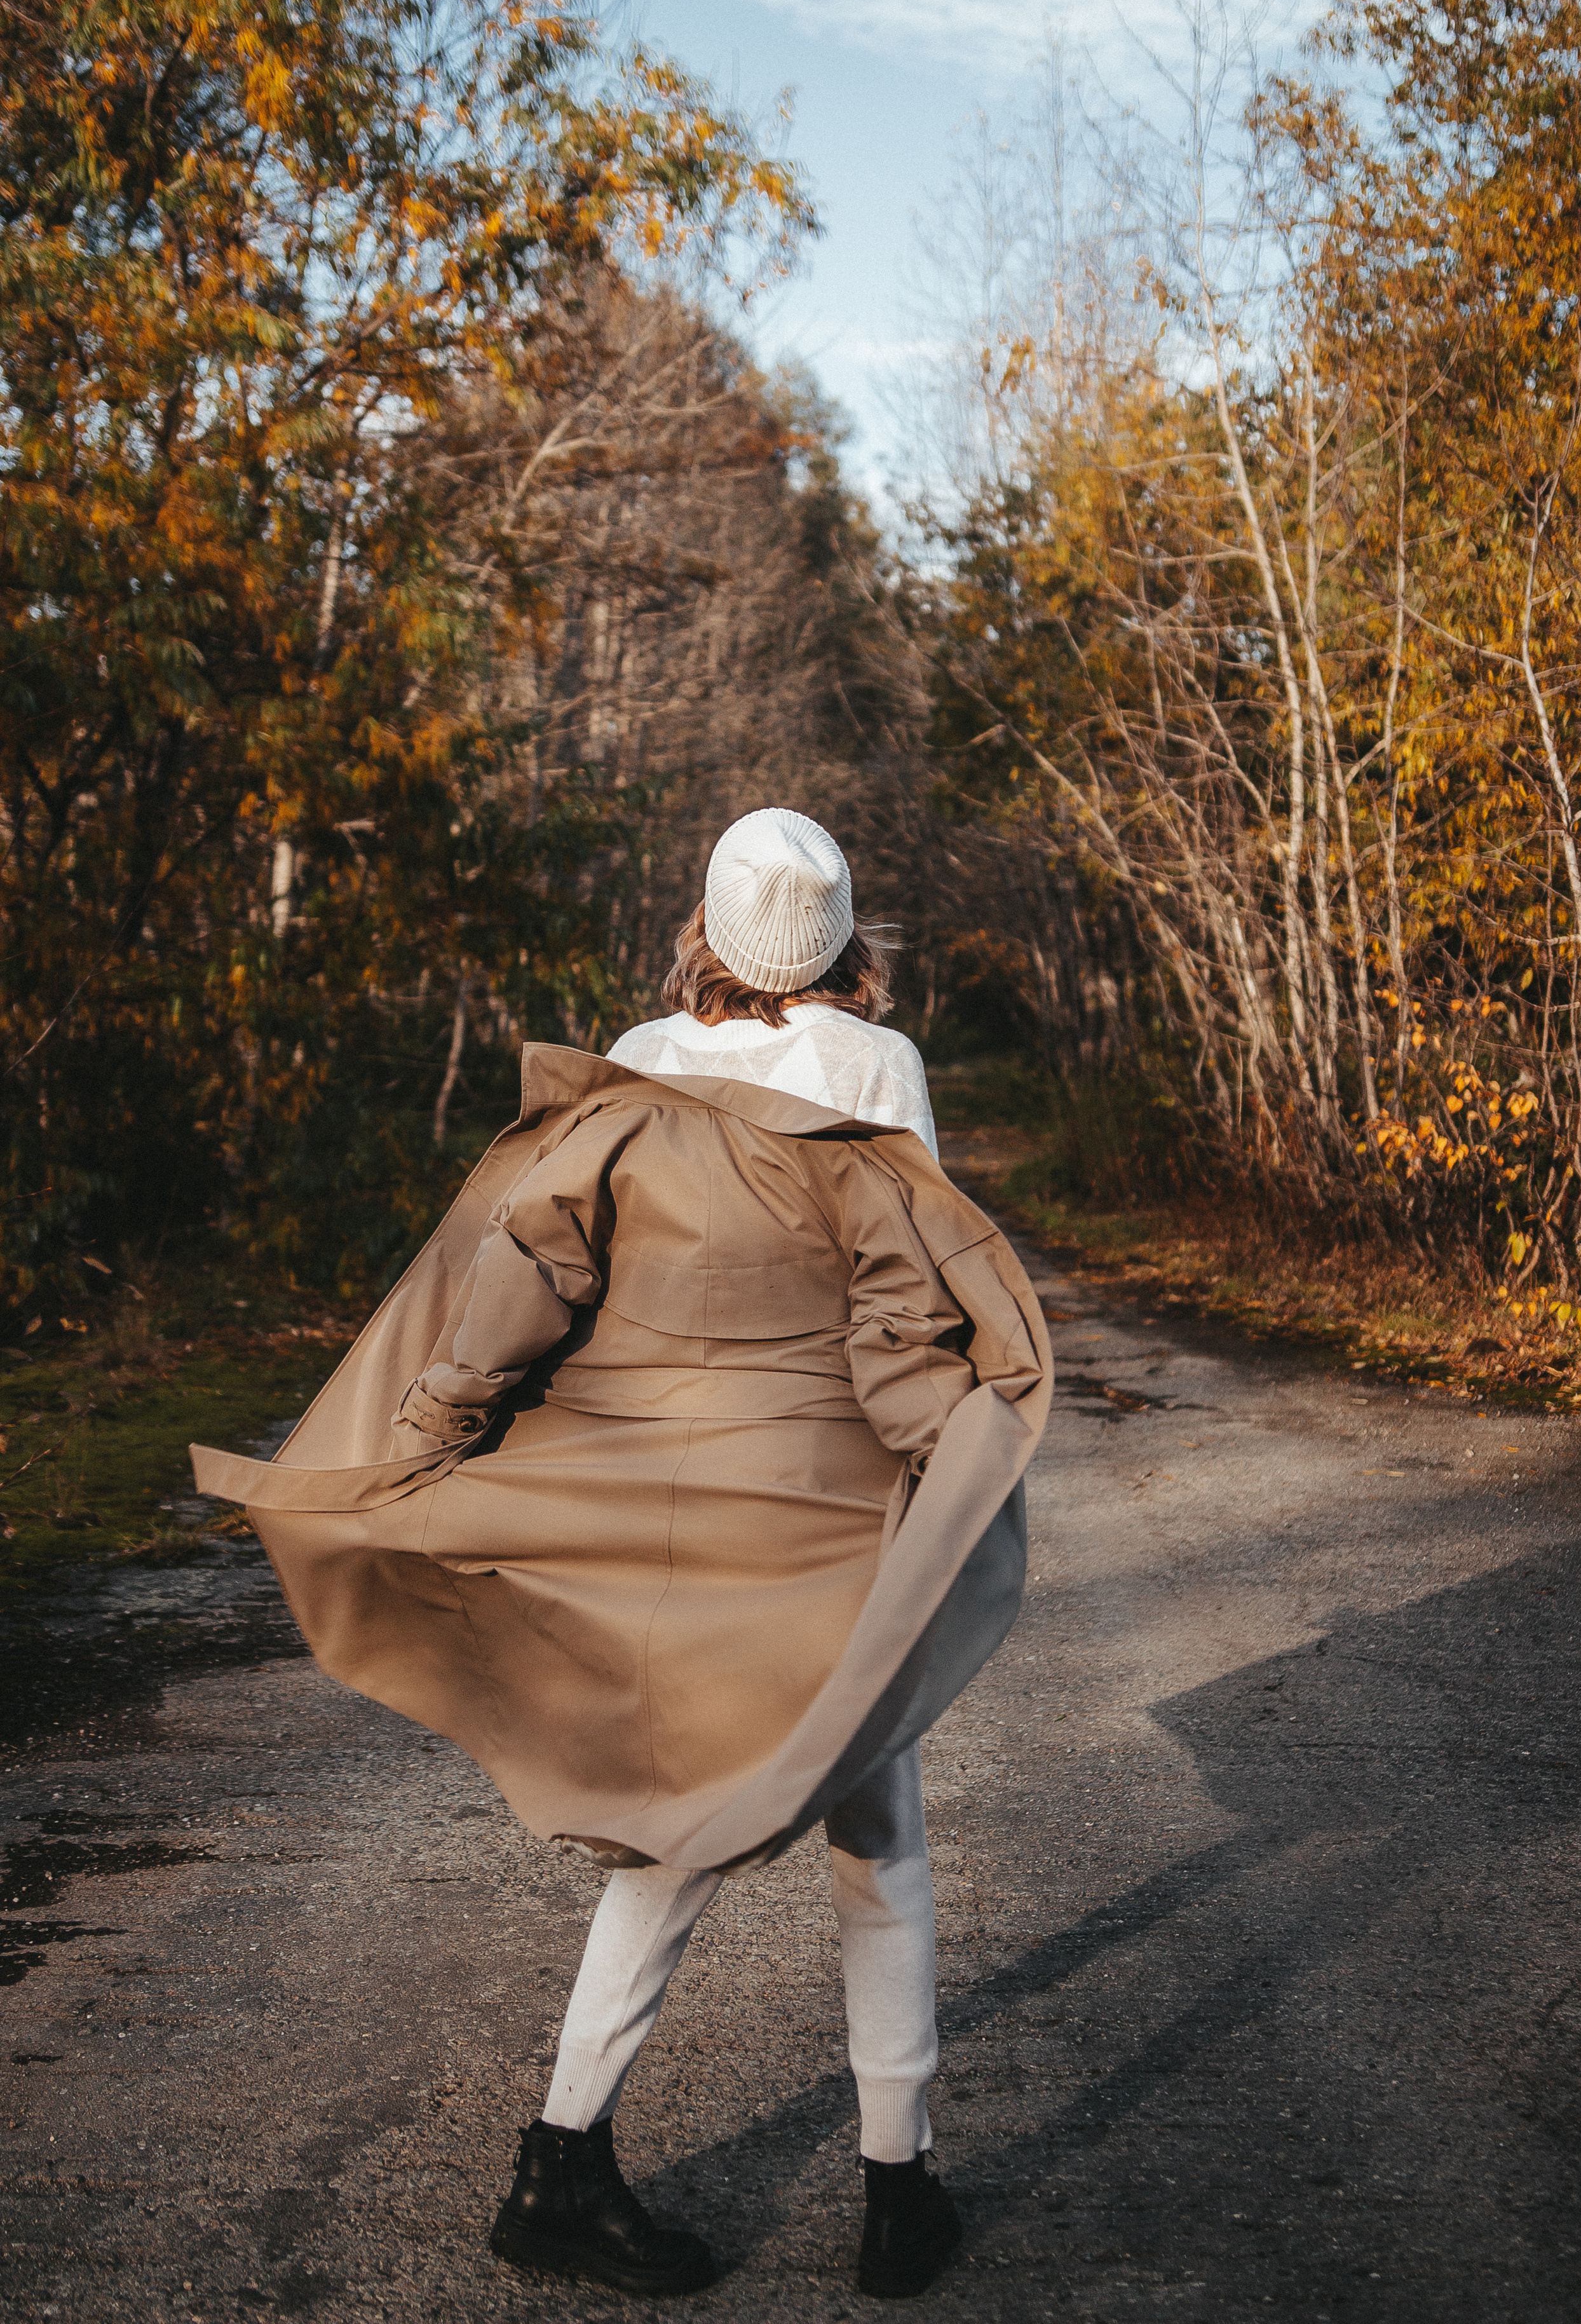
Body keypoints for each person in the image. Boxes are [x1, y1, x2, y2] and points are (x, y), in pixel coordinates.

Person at [193, 807, 1050, 2304]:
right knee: (876, 1837)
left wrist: (432, 1433)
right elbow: (901, 1306)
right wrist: (955, 1452)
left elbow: (530, 1281)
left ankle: (566, 2158)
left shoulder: (636, 1065)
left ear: (702, 929)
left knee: (679, 1828)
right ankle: (888, 2188)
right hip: (820, 1518)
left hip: (654, 1509)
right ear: (848, 939)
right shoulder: (875, 1073)